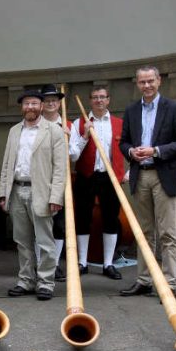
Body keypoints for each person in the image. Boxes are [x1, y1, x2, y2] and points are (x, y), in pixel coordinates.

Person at [119, 65, 176, 296]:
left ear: (159, 81)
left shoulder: (174, 108)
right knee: (144, 232)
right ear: (137, 84)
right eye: (142, 82)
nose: (147, 85)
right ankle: (144, 280)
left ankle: (169, 283)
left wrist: (156, 151)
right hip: (140, 175)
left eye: (151, 81)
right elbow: (124, 142)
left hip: (164, 175)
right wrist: (131, 152)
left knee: (167, 233)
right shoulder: (131, 110)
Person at [0, 90, 67, 301]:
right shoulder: (14, 131)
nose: (30, 107)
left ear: (41, 106)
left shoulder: (54, 131)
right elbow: (7, 164)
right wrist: (3, 193)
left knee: (46, 241)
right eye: (27, 103)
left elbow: (60, 168)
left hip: (42, 192)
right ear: (22, 107)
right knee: (22, 241)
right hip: (17, 190)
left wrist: (56, 196)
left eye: (34, 103)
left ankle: (46, 282)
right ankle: (26, 280)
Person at [69, 86, 125, 280]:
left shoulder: (119, 124)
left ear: (108, 100)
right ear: (90, 101)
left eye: (103, 97)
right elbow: (73, 154)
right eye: (95, 97)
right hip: (86, 176)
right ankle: (82, 262)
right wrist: (85, 135)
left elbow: (129, 150)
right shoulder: (79, 123)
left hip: (110, 178)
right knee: (83, 218)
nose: (99, 100)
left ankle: (108, 263)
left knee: (111, 218)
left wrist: (126, 173)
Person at [39, 84, 70, 281]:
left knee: (58, 225)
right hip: (40, 179)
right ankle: (40, 263)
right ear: (41, 104)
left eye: (54, 100)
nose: (51, 103)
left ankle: (55, 263)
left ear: (59, 103)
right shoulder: (35, 124)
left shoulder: (68, 125)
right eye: (47, 100)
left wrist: (71, 138)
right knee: (40, 224)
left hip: (60, 181)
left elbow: (74, 154)